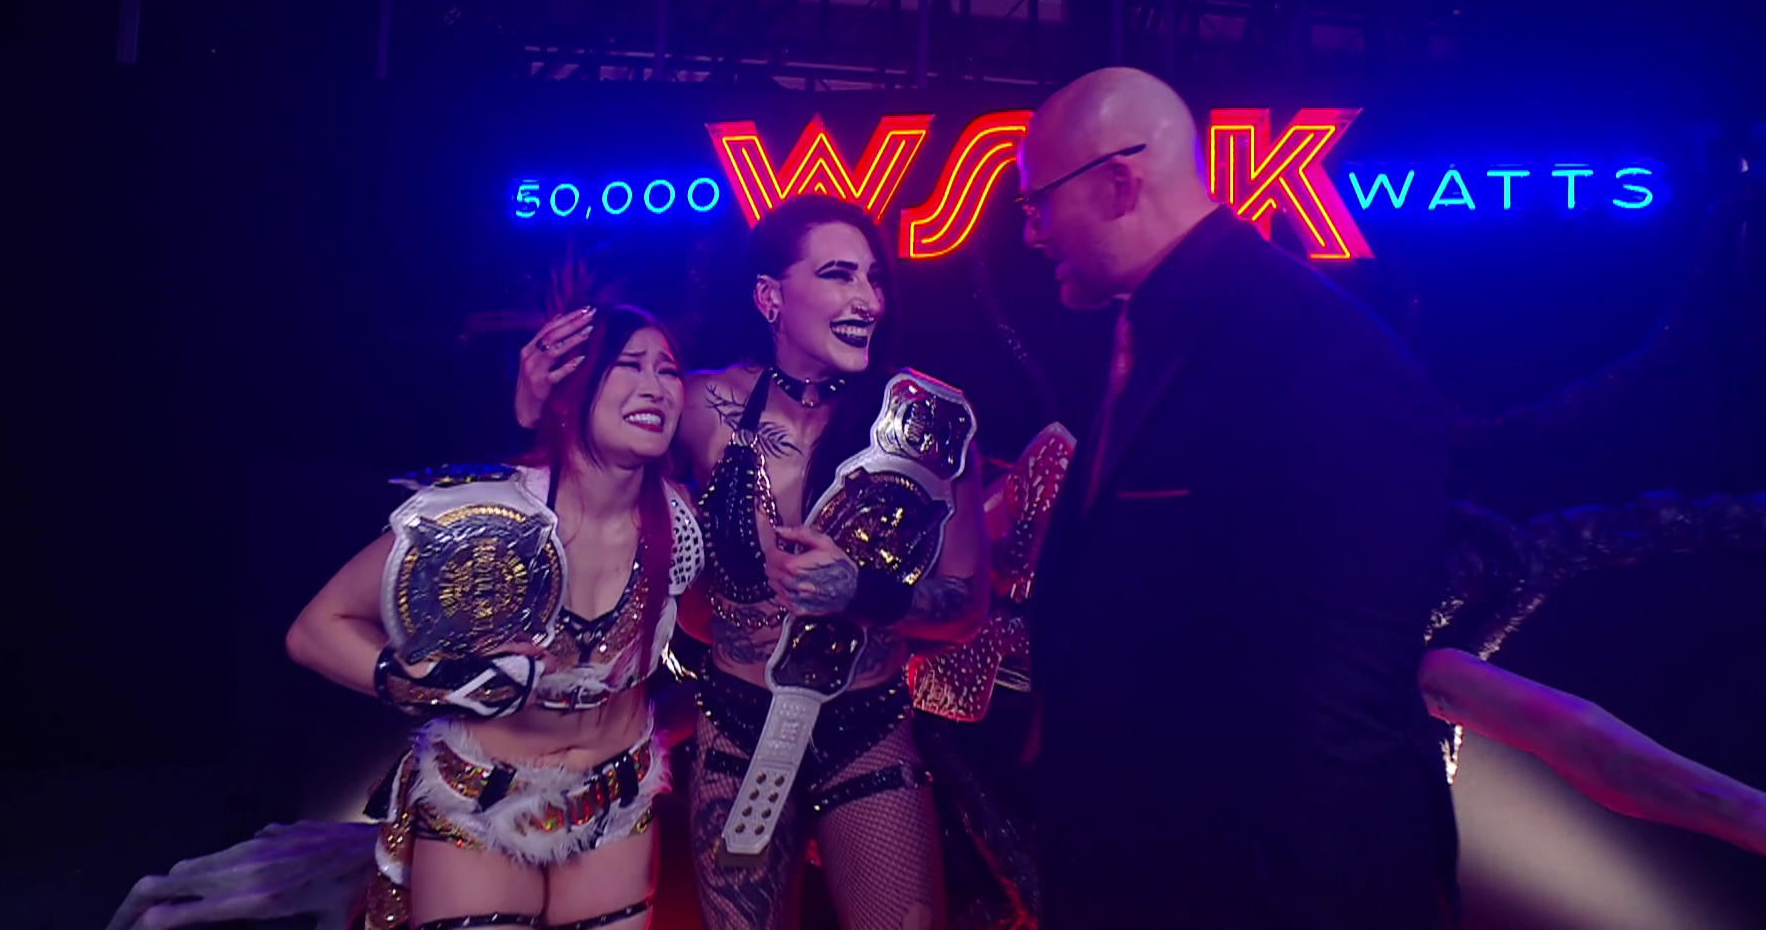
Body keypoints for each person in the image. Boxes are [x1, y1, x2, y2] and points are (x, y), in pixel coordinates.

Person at [1017, 67, 1458, 929]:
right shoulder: (1167, 329)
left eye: (1039, 202)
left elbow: (1336, 692)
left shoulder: (1316, 348)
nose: (1031, 232)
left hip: (1261, 884)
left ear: (1118, 183)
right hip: (1152, 865)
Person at [521, 195, 992, 930]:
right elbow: (584, 491)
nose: (867, 300)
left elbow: (965, 607)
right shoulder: (698, 403)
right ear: (771, 297)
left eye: (873, 278)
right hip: (737, 726)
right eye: (839, 275)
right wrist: (536, 407)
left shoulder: (929, 422)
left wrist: (862, 592)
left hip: (866, 729)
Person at [286, 305, 703, 930]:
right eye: (628, 365)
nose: (655, 387)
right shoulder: (493, 516)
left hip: (616, 805)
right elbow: (316, 629)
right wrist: (442, 681)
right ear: (570, 391)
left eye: (667, 371)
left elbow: (718, 637)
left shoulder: (680, 523)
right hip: (481, 802)